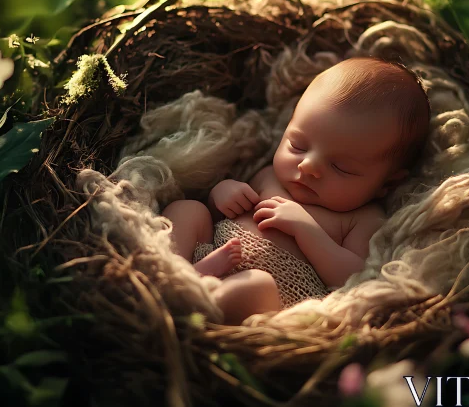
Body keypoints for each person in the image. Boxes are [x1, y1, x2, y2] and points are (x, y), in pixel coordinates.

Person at [161, 56, 431, 324]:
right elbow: (219, 216)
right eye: (298, 145)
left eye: (341, 167)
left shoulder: (362, 219)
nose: (308, 165)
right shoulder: (269, 176)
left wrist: (307, 230)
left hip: (267, 299)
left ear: (388, 184)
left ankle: (192, 305)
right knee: (188, 210)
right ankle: (173, 276)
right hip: (207, 255)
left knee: (257, 285)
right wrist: (222, 194)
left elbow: (353, 277)